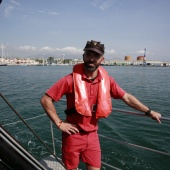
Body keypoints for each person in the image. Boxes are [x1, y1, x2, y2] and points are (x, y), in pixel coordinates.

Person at [40, 40, 161, 170]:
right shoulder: (69, 80)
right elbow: (46, 100)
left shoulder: (107, 81)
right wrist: (59, 123)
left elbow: (126, 97)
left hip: (93, 136)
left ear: (102, 59)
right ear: (83, 56)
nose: (91, 58)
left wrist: (149, 111)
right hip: (73, 135)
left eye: (96, 56)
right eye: (88, 54)